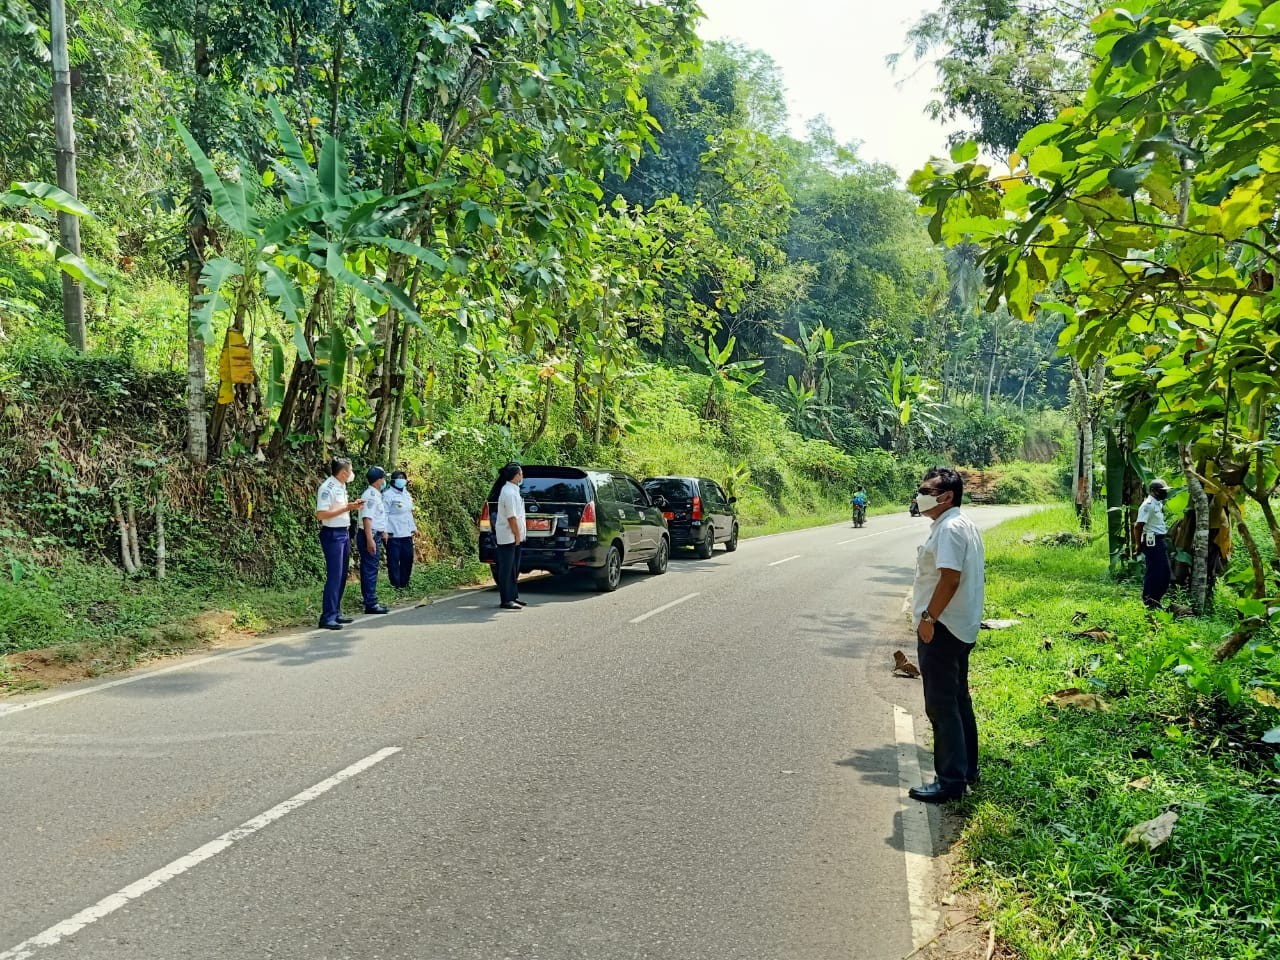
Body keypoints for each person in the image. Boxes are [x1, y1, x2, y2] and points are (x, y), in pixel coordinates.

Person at [908, 467, 986, 804]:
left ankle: (950, 780)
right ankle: (967, 770)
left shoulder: (951, 529)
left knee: (941, 705)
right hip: (959, 627)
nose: (920, 495)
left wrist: (928, 618)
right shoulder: (960, 524)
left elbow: (949, 579)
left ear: (946, 496)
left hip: (942, 629)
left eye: (927, 490)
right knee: (958, 700)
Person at [315, 457, 364, 630]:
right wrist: (347, 508)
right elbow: (321, 515)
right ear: (343, 473)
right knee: (334, 575)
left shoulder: (341, 486)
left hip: (343, 532)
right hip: (332, 534)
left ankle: (335, 612)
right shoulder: (327, 488)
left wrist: (352, 507)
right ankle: (327, 616)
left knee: (342, 574)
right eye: (350, 471)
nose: (351, 474)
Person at [356, 466, 390, 614]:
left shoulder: (375, 494)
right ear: (378, 480)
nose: (384, 481)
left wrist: (382, 532)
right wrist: (370, 540)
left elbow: (376, 517)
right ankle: (371, 603)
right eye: (383, 478)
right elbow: (367, 518)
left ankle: (369, 600)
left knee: (370, 568)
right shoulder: (370, 495)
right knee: (370, 569)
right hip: (368, 535)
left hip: (374, 534)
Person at [1134, 478, 1172, 609]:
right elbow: (1138, 526)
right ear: (1153, 491)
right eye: (1161, 491)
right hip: (1152, 541)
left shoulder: (1158, 503)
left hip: (1159, 540)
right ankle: (1149, 600)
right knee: (1154, 571)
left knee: (1164, 573)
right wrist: (1138, 545)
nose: (1164, 493)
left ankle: (1155, 600)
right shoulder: (1147, 505)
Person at [494, 462, 526, 610]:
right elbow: (511, 517)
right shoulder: (508, 492)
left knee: (514, 567)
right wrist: (517, 535)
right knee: (506, 567)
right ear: (515, 476)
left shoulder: (514, 490)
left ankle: (513, 596)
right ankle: (506, 599)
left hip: (514, 535)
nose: (522, 476)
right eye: (520, 473)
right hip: (508, 535)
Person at [384, 469, 418, 590]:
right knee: (394, 561)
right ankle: (396, 585)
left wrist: (414, 528)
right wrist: (385, 531)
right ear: (393, 480)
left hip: (406, 533)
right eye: (399, 478)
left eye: (403, 478)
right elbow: (385, 514)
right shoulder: (387, 495)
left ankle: (405, 583)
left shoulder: (406, 494)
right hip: (393, 533)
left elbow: (409, 513)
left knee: (408, 558)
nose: (401, 480)